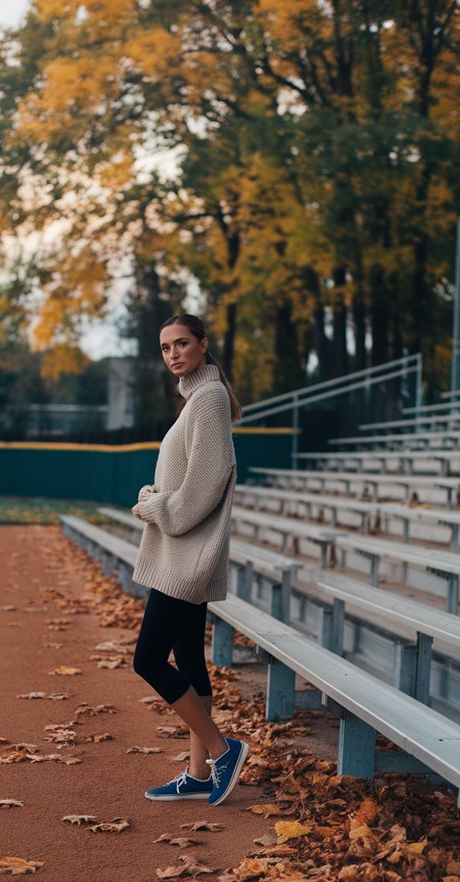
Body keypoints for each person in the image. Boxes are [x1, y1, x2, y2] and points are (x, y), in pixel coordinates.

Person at [131, 313, 249, 806]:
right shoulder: (198, 401)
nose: (173, 354)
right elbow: (191, 480)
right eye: (165, 347)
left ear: (203, 345)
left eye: (182, 343)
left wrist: (154, 504)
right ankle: (200, 774)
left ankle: (224, 752)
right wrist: (161, 495)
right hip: (183, 549)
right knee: (189, 659)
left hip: (187, 556)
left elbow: (203, 486)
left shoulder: (209, 399)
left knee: (148, 660)